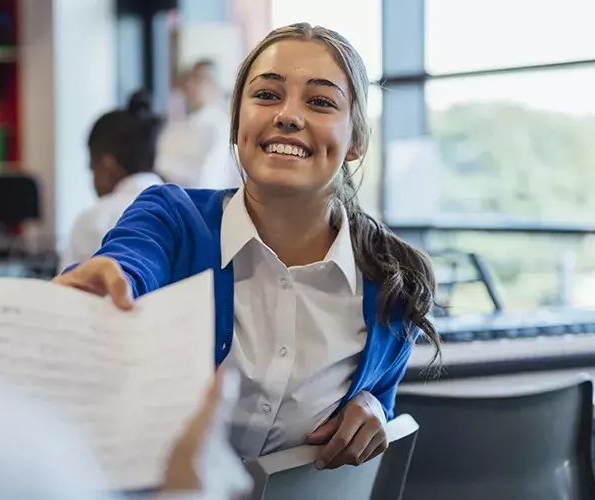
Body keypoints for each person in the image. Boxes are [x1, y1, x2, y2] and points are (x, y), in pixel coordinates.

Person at [54, 22, 441, 469]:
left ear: (355, 141)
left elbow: (378, 402)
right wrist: (107, 280)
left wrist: (376, 411)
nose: (288, 116)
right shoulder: (172, 216)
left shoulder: (392, 283)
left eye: (319, 101)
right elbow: (130, 261)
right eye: (267, 95)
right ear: (238, 123)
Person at [65, 90, 166, 267]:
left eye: (92, 169)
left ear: (107, 165)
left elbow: (64, 291)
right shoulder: (184, 213)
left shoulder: (95, 221)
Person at [155, 59, 241, 190]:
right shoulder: (181, 123)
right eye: (191, 79)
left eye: (200, 79)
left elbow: (204, 177)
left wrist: (161, 164)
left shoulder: (218, 126)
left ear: (215, 85)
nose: (192, 85)